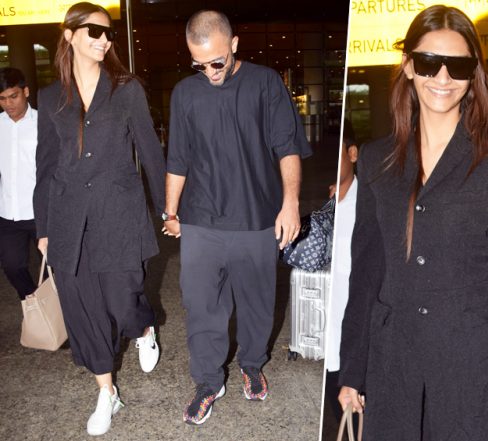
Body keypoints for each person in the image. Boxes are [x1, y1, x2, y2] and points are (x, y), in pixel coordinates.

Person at [337, 5, 488, 440]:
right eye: (430, 63)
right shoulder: (377, 160)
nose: (443, 78)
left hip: (479, 374)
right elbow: (368, 272)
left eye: (459, 66)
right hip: (396, 370)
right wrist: (353, 369)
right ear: (410, 66)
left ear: (474, 76)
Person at [163, 10, 312, 425]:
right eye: (198, 64)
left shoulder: (265, 84)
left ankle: (251, 364)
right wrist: (171, 211)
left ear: (233, 45)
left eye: (217, 62)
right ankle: (208, 383)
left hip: (256, 217)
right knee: (201, 306)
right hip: (201, 220)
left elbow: (287, 147)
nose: (209, 72)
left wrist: (291, 203)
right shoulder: (184, 93)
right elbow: (178, 158)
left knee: (257, 304)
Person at [33, 2, 164, 436]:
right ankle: (107, 393)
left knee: (122, 305)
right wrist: (44, 229)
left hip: (119, 214)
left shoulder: (126, 89)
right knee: (85, 313)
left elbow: (149, 150)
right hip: (69, 221)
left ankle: (143, 326)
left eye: (108, 33)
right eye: (94, 31)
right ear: (69, 35)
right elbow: (46, 168)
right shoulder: (51, 97)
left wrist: (168, 207)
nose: (104, 39)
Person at [324, 119, 359, 425]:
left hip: (359, 336)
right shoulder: (331, 205)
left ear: (353, 154)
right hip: (331, 336)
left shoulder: (371, 204)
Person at [0, 67, 37, 301]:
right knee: (12, 267)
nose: (8, 104)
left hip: (41, 212)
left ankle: (68, 320)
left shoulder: (44, 124)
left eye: (13, 96)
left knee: (56, 270)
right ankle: (35, 305)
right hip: (8, 213)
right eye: (2, 99)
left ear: (26, 92)